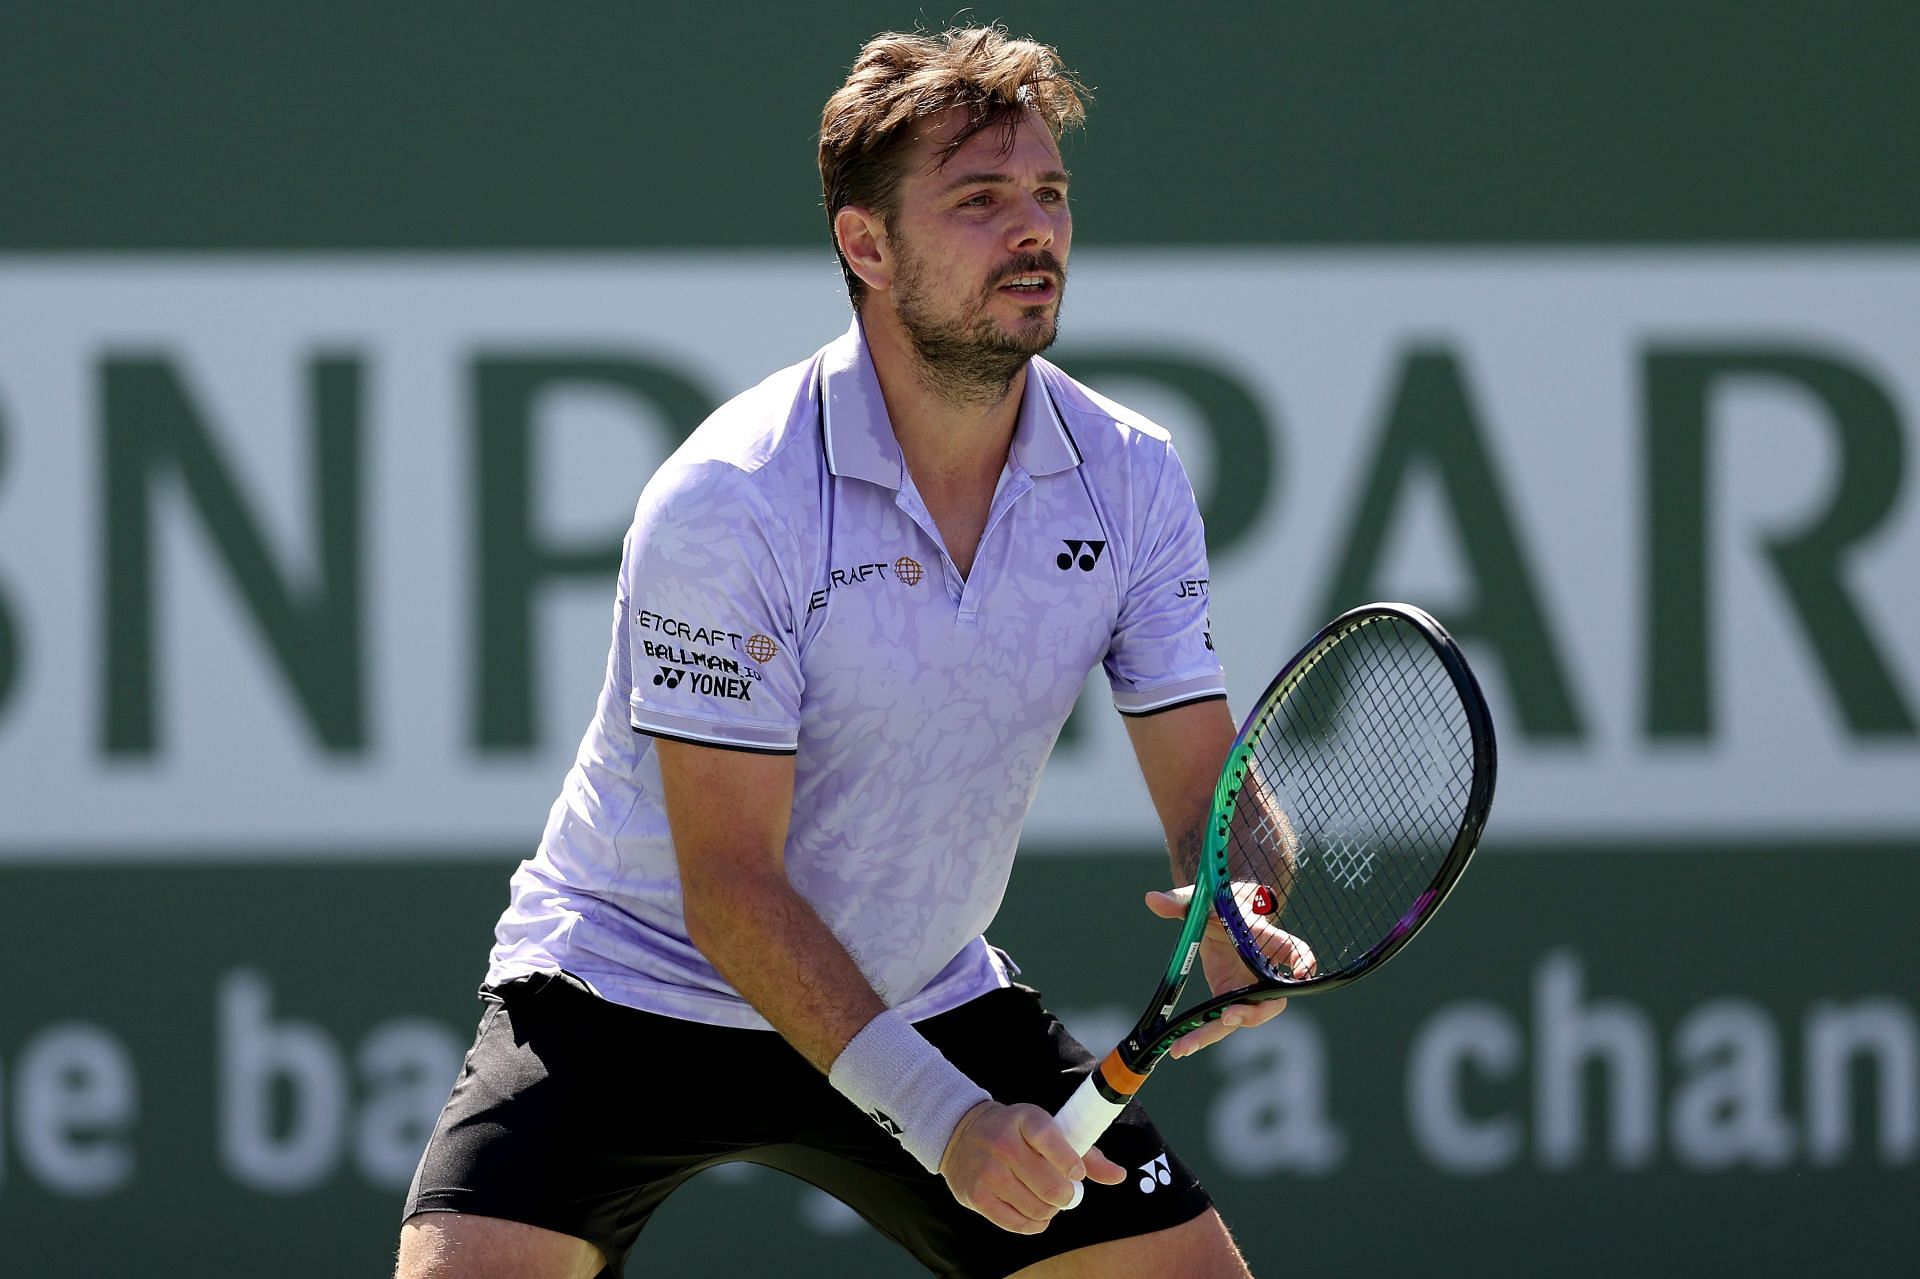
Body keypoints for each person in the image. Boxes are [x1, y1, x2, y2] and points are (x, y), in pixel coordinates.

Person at [397, 25, 1291, 1279]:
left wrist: (1241, 896)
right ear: (865, 246)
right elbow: (730, 892)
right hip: (628, 989)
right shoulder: (732, 499)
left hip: (919, 988)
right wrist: (953, 1124)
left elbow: (1210, 791)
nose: (1033, 230)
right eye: (980, 201)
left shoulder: (1131, 476)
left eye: (1049, 194)